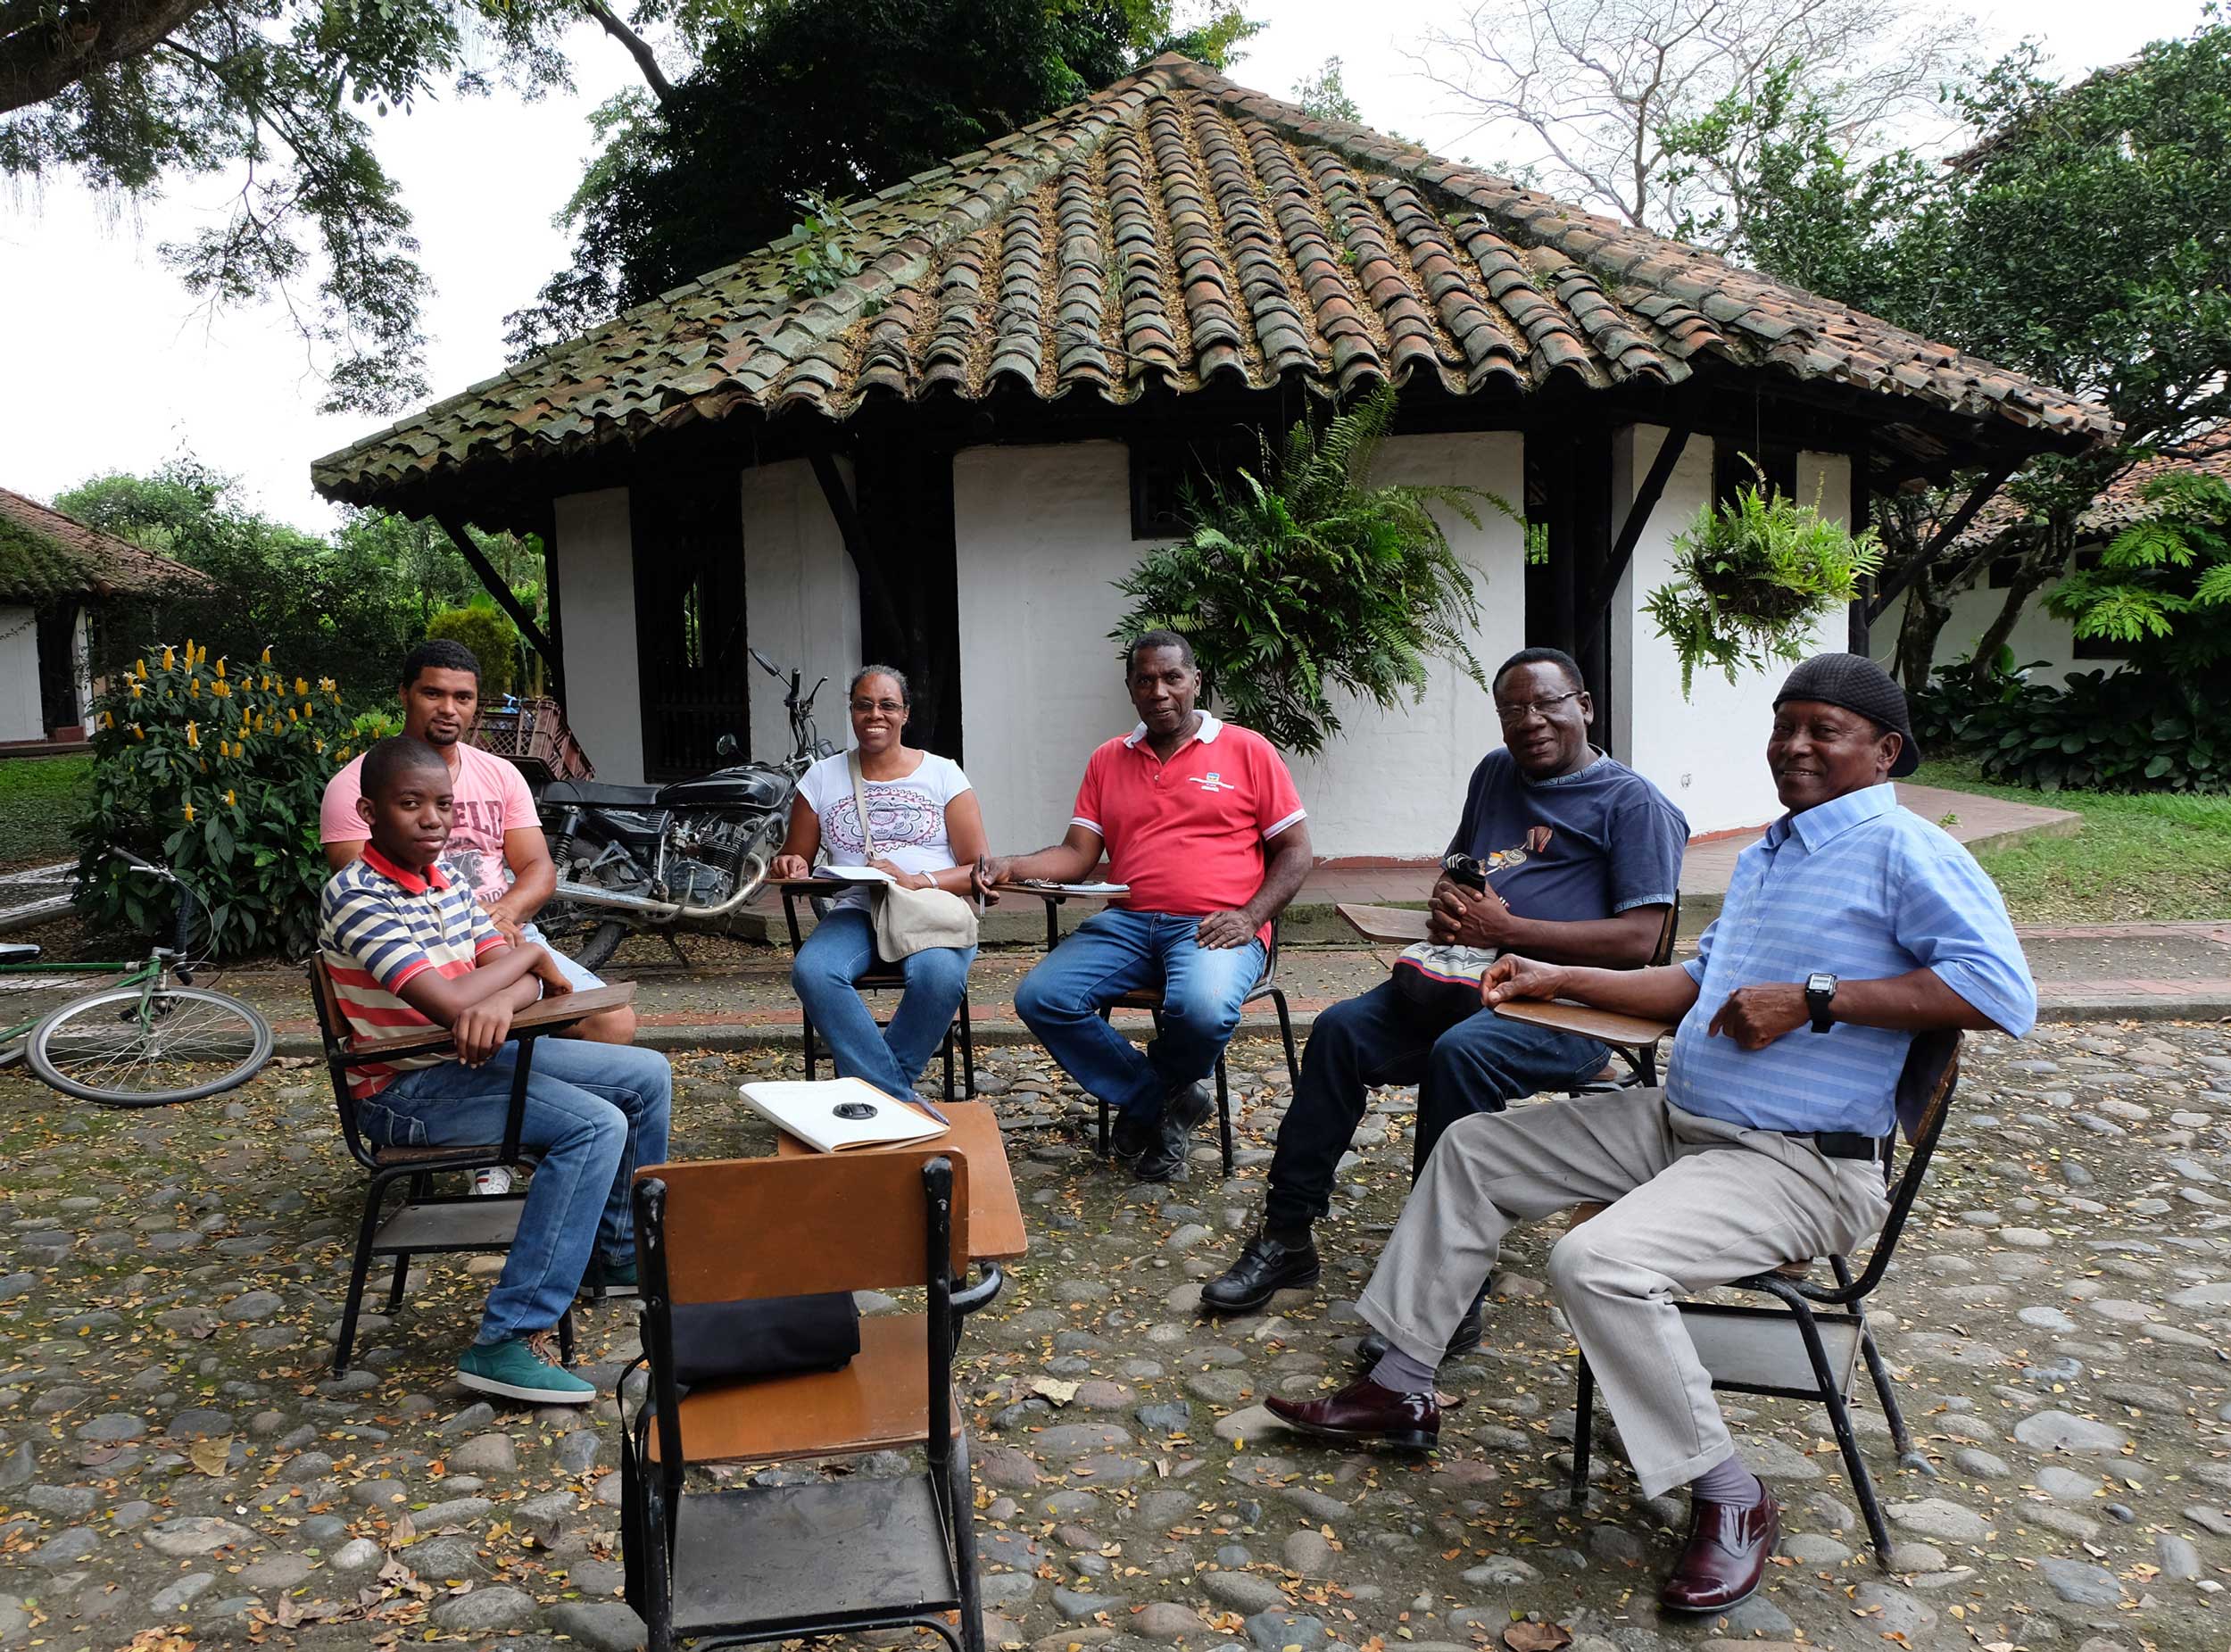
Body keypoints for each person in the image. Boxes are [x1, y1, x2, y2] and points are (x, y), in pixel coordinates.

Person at [1263, 653, 2035, 1615]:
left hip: (1800, 1163)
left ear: (1883, 751)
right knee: (1474, 1150)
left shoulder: (1904, 849)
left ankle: (1732, 1495)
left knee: (1597, 1263)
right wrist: (1557, 976)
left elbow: (2001, 995)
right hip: (1686, 1125)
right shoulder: (1772, 851)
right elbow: (1692, 989)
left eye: (1821, 731)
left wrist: (1816, 1000)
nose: (1792, 746)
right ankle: (1402, 1380)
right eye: (1783, 725)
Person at [1202, 647, 1688, 1326]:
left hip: (1572, 1004)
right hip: (1464, 978)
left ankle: (1444, 1280)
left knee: (1459, 1054)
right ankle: (1286, 1234)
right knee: (1341, 1031)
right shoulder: (1496, 773)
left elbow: (1641, 942)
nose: (1531, 720)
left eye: (1547, 702)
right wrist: (1449, 901)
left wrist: (1511, 927)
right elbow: (1462, 864)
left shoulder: (1633, 804)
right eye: (1513, 709)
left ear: (1584, 705)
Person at [320, 735, 674, 1405]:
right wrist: (528, 965)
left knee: (645, 1073)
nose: (432, 818)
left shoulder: (446, 880)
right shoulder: (357, 894)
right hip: (404, 1087)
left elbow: (509, 984)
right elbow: (456, 997)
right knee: (593, 1126)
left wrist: (512, 985)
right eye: (410, 804)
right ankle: (507, 1338)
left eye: (443, 805)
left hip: (468, 1055)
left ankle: (620, 1250)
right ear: (368, 811)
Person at [977, 631, 1313, 1183]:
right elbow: (1077, 854)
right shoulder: (1109, 759)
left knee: (1201, 1010)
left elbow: (1296, 851)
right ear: (1131, 688)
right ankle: (1162, 1100)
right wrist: (1011, 866)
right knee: (1042, 997)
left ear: (1195, 682)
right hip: (1128, 923)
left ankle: (1149, 1105)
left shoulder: (1248, 750)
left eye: (1172, 678)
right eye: (1145, 680)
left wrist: (1252, 916)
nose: (1159, 691)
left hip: (1217, 925)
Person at [323, 639, 636, 1194]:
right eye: (433, 693)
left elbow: (538, 867)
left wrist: (506, 921)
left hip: (498, 933)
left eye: (462, 697)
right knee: (578, 1093)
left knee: (616, 1024)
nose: (448, 708)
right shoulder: (355, 790)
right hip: (426, 967)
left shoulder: (497, 780)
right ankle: (522, 1128)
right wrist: (524, 965)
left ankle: (560, 1151)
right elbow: (387, 896)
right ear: (405, 695)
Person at [769, 665, 987, 1099]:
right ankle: (894, 1097)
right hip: (856, 910)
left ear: (905, 714)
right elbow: (797, 856)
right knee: (813, 970)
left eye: (888, 705)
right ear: (851, 713)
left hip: (927, 910)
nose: (875, 715)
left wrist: (915, 879)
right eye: (864, 705)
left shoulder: (943, 774)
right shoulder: (822, 778)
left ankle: (875, 1096)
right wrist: (790, 864)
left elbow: (979, 868)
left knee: (939, 979)